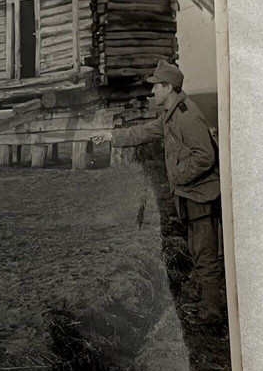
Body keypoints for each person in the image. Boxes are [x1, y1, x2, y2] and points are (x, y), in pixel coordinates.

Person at [92, 59, 223, 323]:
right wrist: (111, 136)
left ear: (170, 88)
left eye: (156, 87)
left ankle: (212, 312)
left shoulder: (187, 116)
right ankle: (203, 300)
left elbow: (205, 157)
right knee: (198, 251)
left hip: (201, 196)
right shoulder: (171, 115)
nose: (152, 92)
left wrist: (176, 175)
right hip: (191, 195)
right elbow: (143, 132)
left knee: (206, 255)